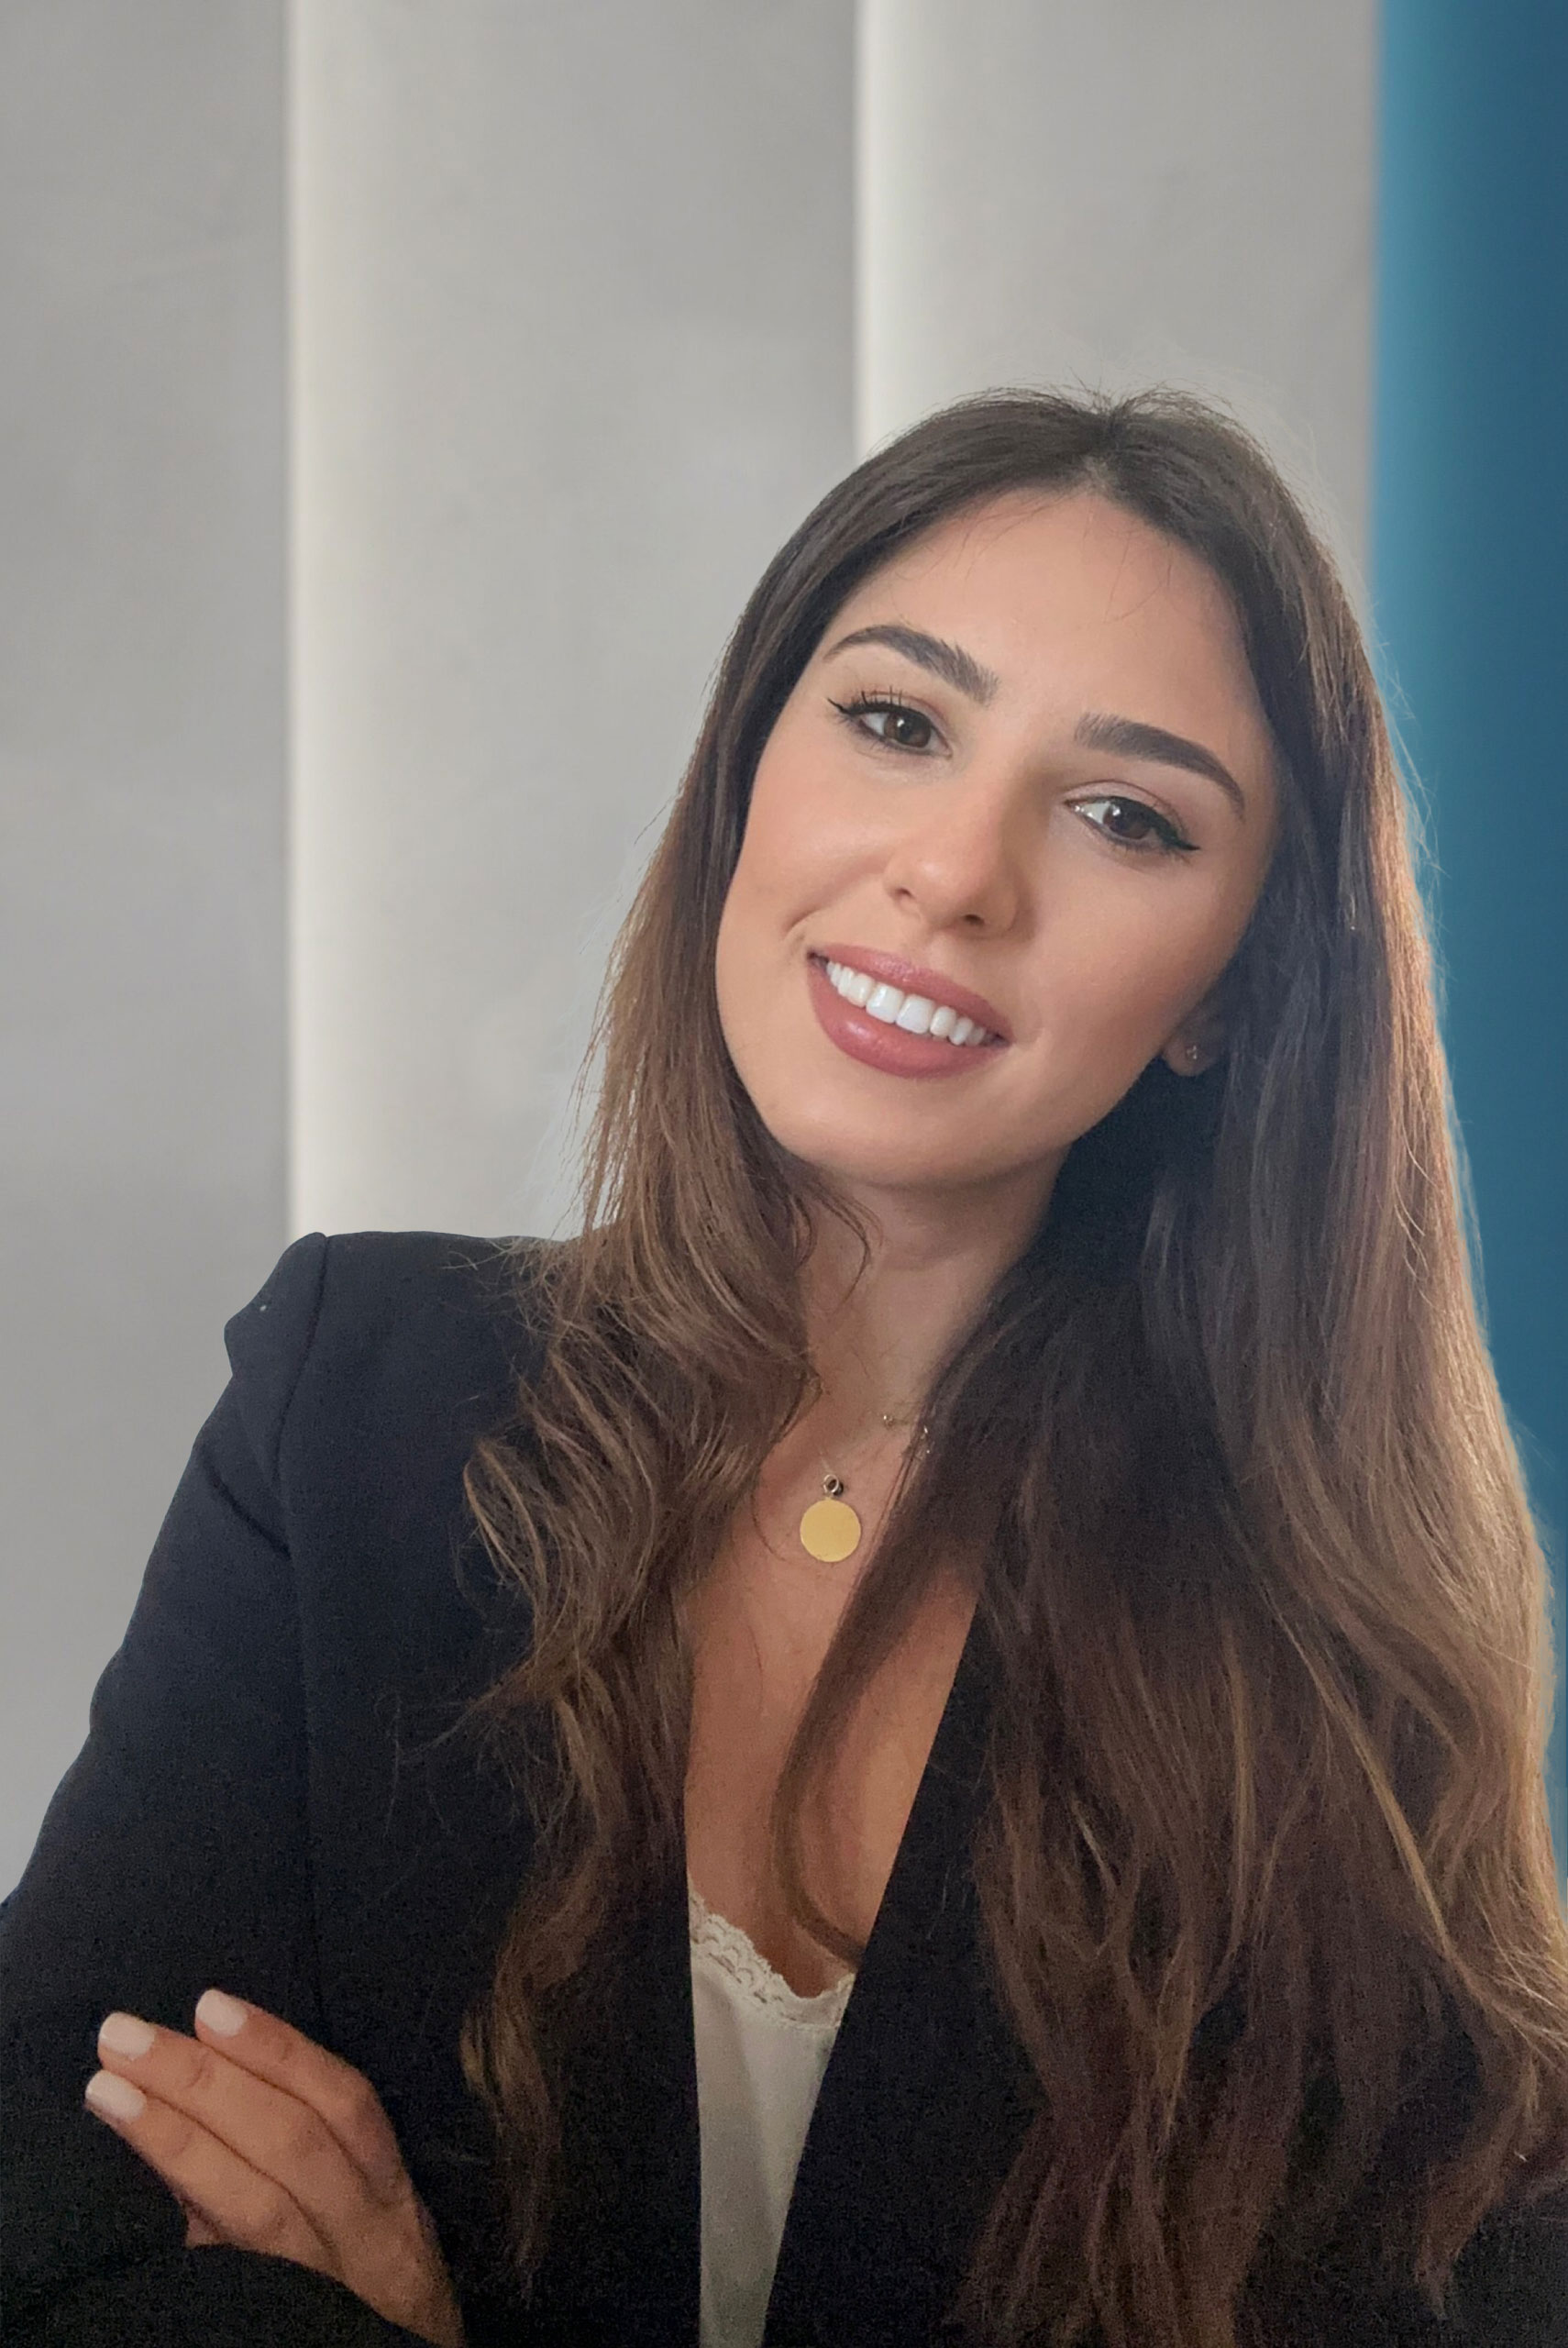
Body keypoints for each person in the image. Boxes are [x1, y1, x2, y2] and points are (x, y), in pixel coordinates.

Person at [3, 387, 1566, 2348]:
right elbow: (58, 2198)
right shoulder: (355, 1408)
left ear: (1230, 993)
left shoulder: (1334, 1650)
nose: (956, 872)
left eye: (1124, 816)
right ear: (749, 768)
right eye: (897, 722)